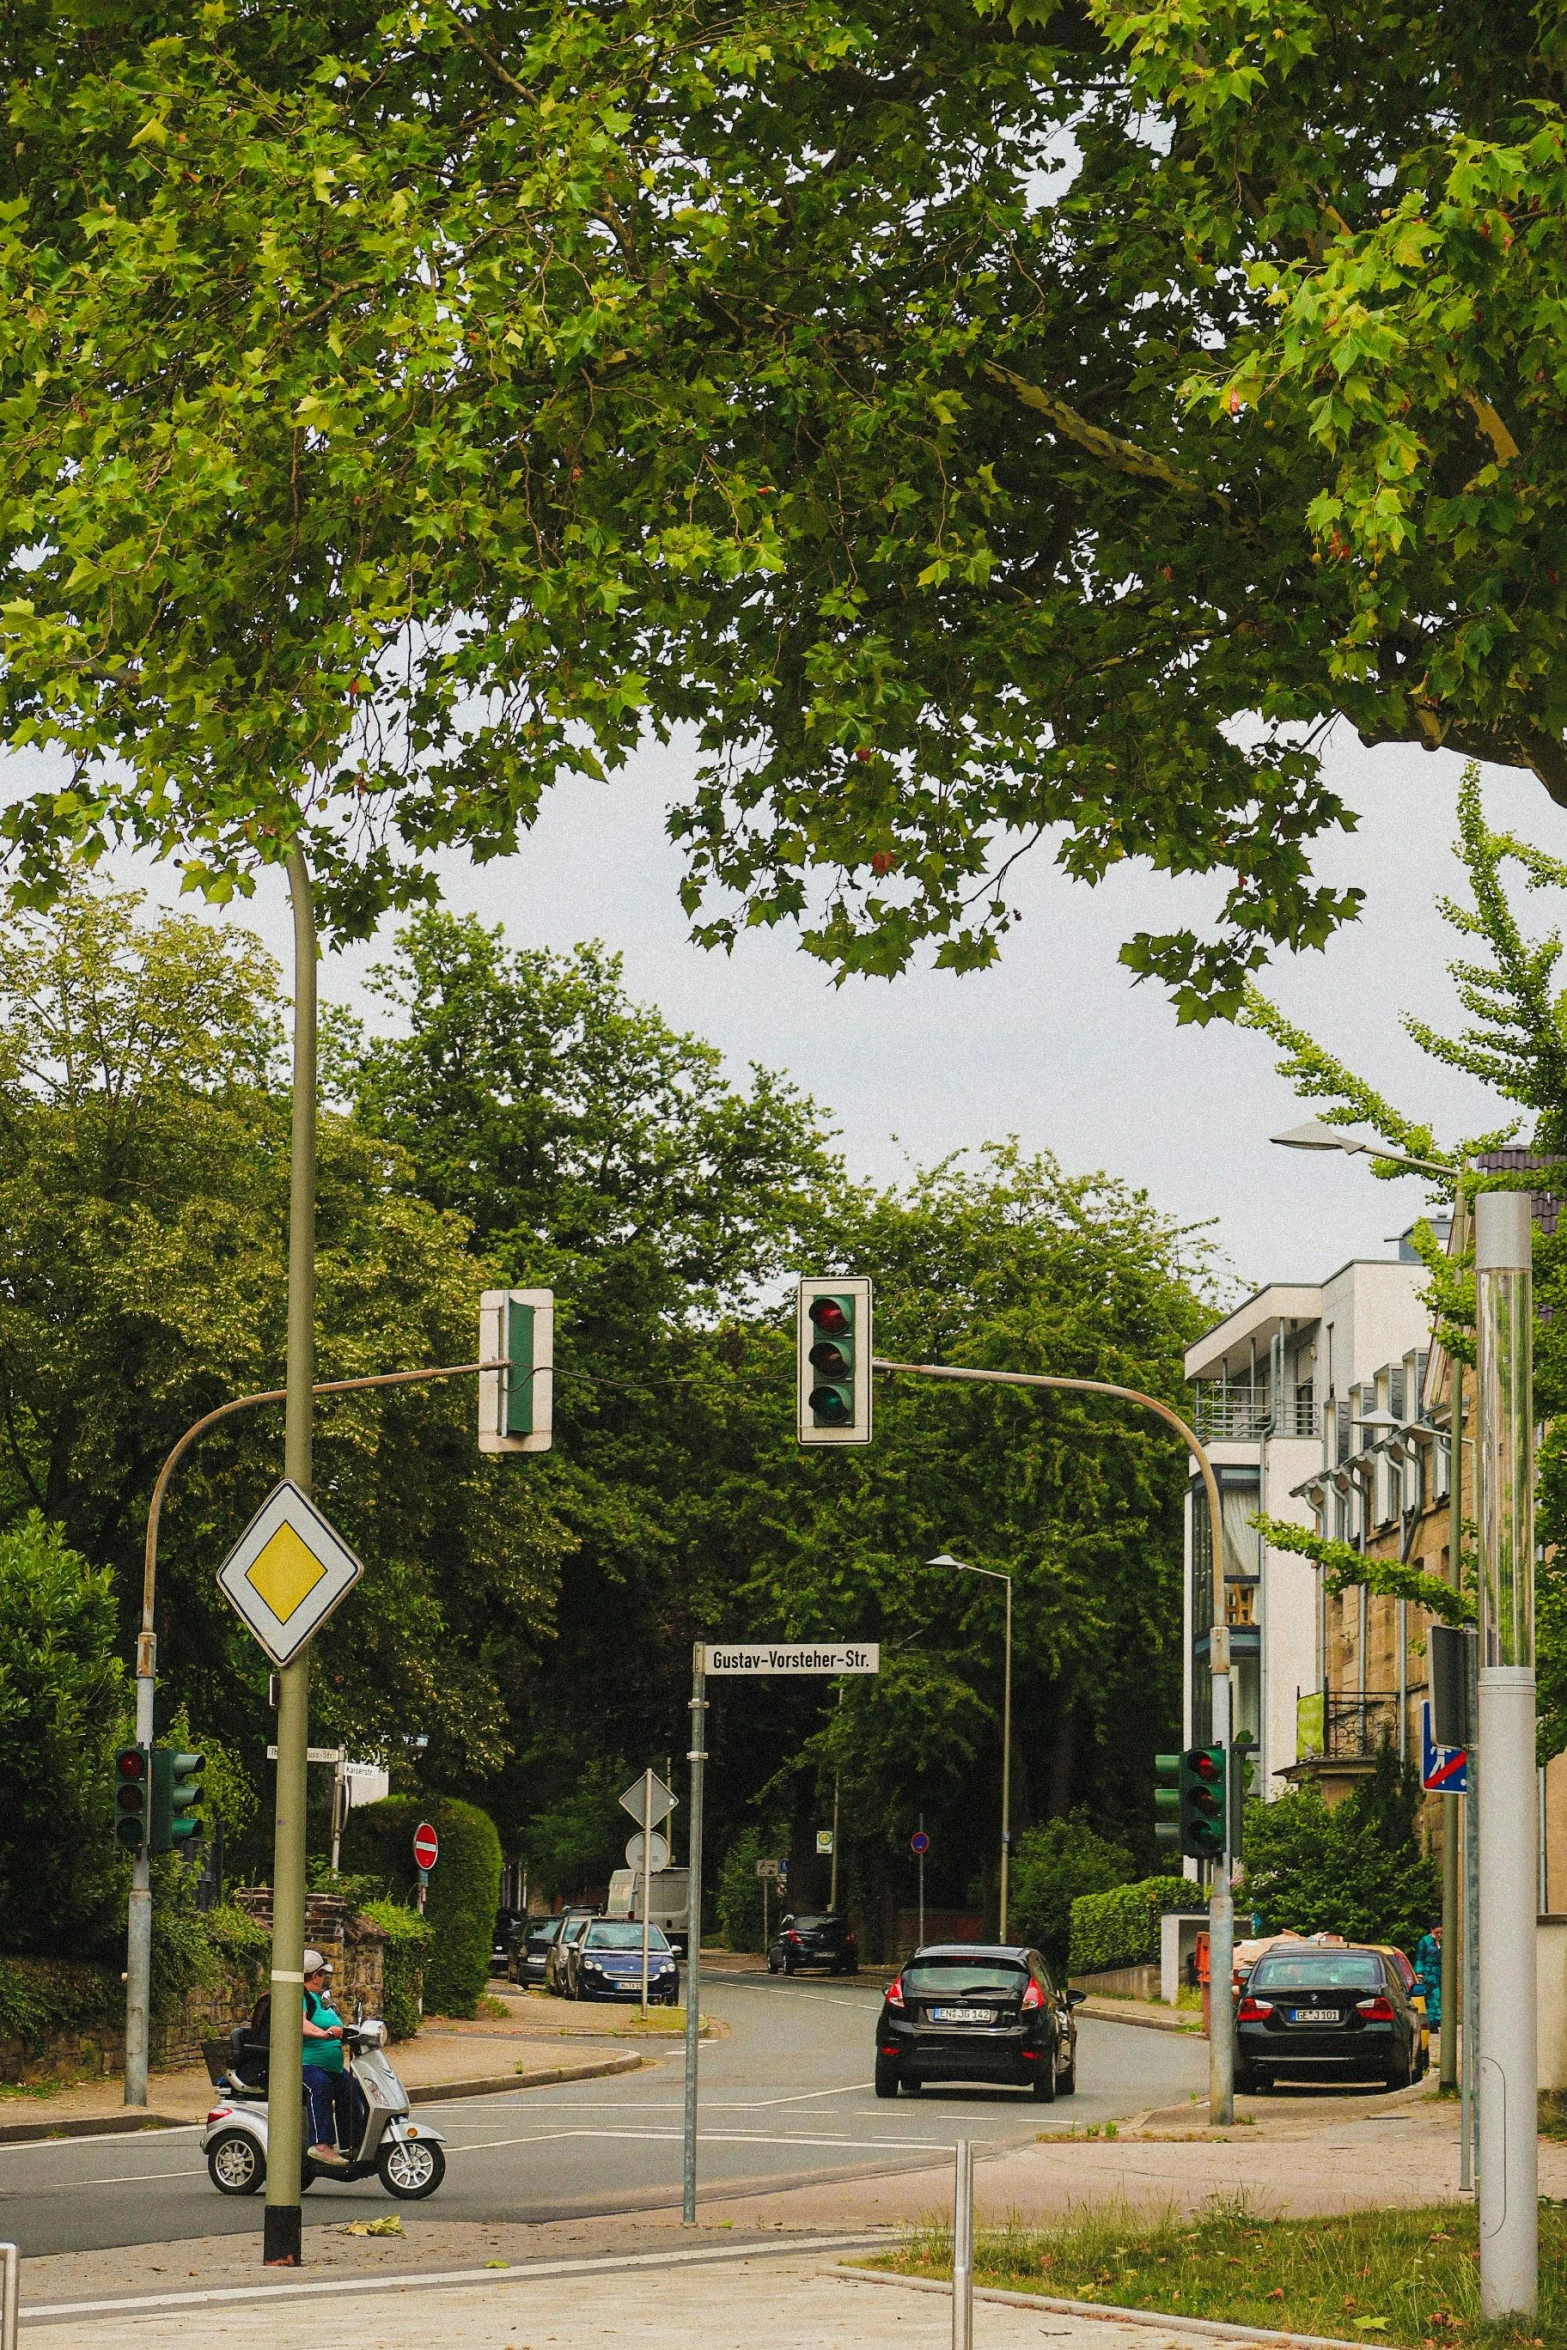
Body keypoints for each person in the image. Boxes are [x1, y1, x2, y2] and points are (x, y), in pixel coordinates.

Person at [301, 1951, 353, 2166]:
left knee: (353, 2088)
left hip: (330, 2066)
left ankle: (352, 2143)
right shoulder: (299, 1997)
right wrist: (322, 2034)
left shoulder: (318, 1999)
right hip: (306, 2064)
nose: (323, 1980)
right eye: (322, 1974)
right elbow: (299, 2023)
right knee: (319, 2086)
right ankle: (320, 2145)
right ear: (315, 1975)